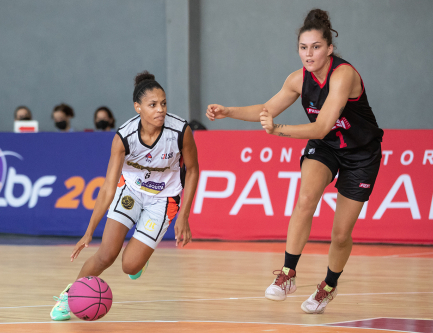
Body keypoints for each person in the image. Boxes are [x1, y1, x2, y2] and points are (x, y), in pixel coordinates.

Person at [206, 9, 383, 314]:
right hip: (326, 147)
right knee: (305, 198)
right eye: (303, 47)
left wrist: (279, 130)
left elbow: (321, 125)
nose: (309, 53)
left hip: (360, 153)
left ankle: (328, 287)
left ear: (329, 48)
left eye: (315, 47)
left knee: (340, 234)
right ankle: (288, 274)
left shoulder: (344, 76)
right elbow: (266, 108)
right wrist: (228, 111)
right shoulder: (297, 80)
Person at [50, 71, 199, 321]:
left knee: (130, 266)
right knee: (106, 254)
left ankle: (141, 255)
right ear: (137, 107)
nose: (160, 109)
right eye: (153, 105)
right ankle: (70, 296)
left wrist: (184, 214)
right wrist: (89, 231)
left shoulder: (180, 131)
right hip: (130, 191)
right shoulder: (124, 137)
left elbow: (193, 170)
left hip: (164, 199)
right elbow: (108, 188)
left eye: (163, 103)